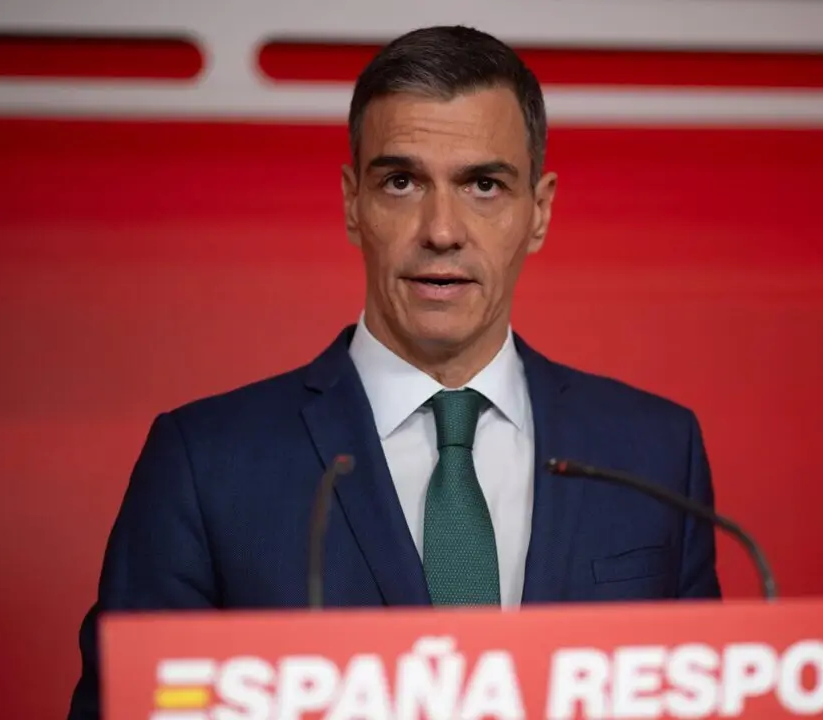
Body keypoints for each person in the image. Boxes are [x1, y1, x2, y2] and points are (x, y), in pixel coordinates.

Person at [66, 24, 720, 719]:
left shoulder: (654, 452)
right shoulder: (205, 464)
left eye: (484, 185)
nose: (442, 229)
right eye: (402, 182)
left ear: (540, 211)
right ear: (354, 204)